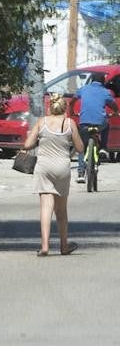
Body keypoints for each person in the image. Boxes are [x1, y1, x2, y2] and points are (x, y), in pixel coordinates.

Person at [22, 93, 84, 256]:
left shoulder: (42, 122)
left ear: (50, 107)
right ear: (65, 109)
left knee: (46, 207)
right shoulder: (69, 123)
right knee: (61, 210)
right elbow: (80, 148)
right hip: (63, 168)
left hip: (44, 167)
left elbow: (27, 144)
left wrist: (40, 139)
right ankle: (64, 246)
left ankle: (44, 246)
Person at [75, 72, 118, 183]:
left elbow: (73, 100)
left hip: (84, 122)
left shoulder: (84, 89)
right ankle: (103, 148)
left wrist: (72, 111)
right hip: (100, 123)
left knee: (82, 146)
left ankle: (80, 173)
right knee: (107, 124)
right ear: (103, 82)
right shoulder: (105, 92)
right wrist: (116, 112)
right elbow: (113, 105)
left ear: (92, 80)